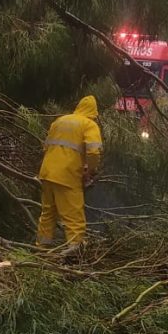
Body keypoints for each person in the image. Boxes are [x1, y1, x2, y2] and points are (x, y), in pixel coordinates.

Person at [36, 95, 103, 248]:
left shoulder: (60, 121)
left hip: (47, 173)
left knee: (47, 213)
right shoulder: (88, 124)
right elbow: (93, 152)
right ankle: (74, 252)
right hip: (67, 176)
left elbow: (46, 147)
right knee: (74, 218)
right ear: (93, 113)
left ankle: (41, 248)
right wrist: (89, 171)